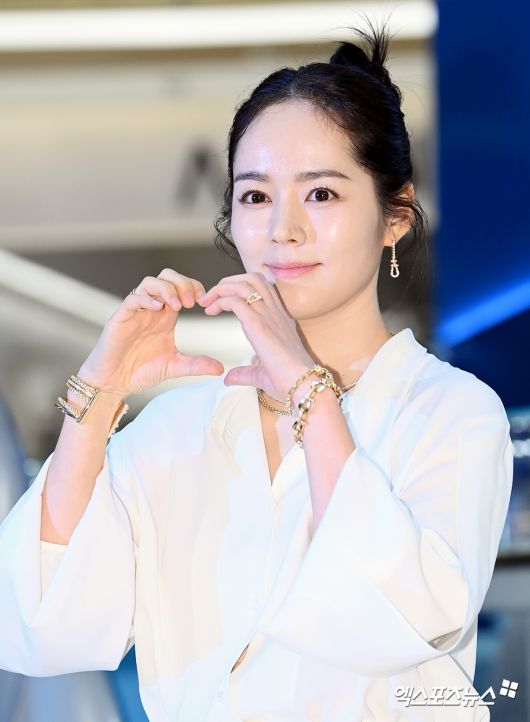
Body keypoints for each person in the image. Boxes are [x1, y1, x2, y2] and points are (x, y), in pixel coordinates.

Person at [0, 20, 513, 722]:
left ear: (395, 214)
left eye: (322, 194)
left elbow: (406, 614)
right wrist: (98, 396)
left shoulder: (451, 412)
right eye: (255, 196)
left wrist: (310, 392)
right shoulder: (179, 428)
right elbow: (39, 622)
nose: (283, 229)